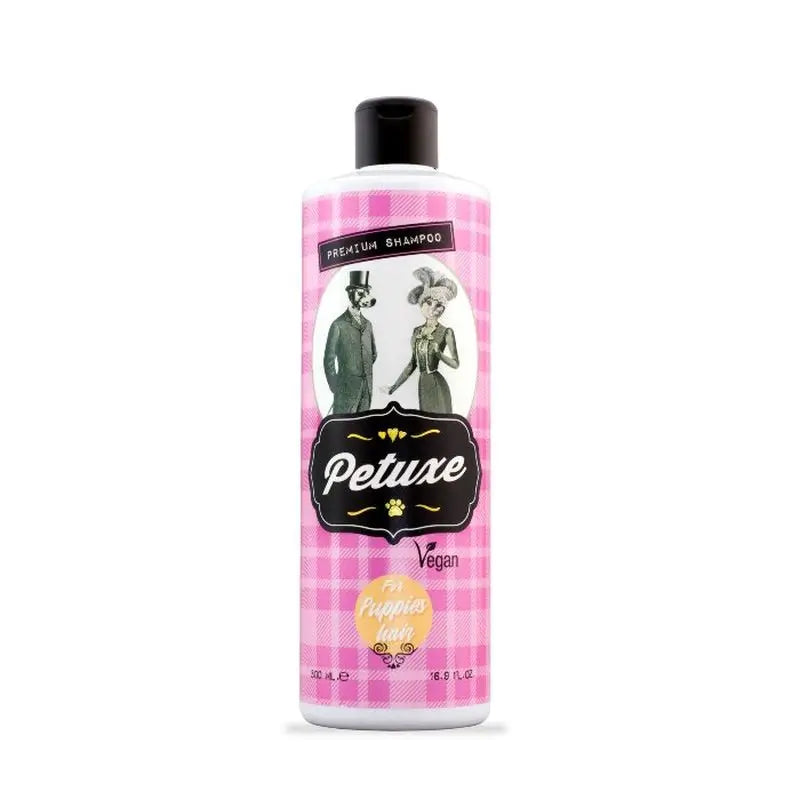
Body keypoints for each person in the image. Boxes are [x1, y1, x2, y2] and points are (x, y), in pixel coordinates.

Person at [386, 267, 459, 413]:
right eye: (429, 303)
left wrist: (439, 354)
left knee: (440, 421)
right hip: (423, 385)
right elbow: (412, 364)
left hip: (437, 384)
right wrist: (393, 387)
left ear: (443, 308)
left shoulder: (446, 332)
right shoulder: (417, 331)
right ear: (422, 304)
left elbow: (456, 364)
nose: (433, 308)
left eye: (439, 305)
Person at [323, 271, 377, 414]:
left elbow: (373, 354)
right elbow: (328, 360)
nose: (364, 297)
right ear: (350, 294)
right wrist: (336, 387)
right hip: (345, 393)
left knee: (363, 426)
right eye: (360, 293)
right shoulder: (338, 325)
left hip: (366, 391)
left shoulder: (368, 325)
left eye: (366, 293)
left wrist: (363, 372)